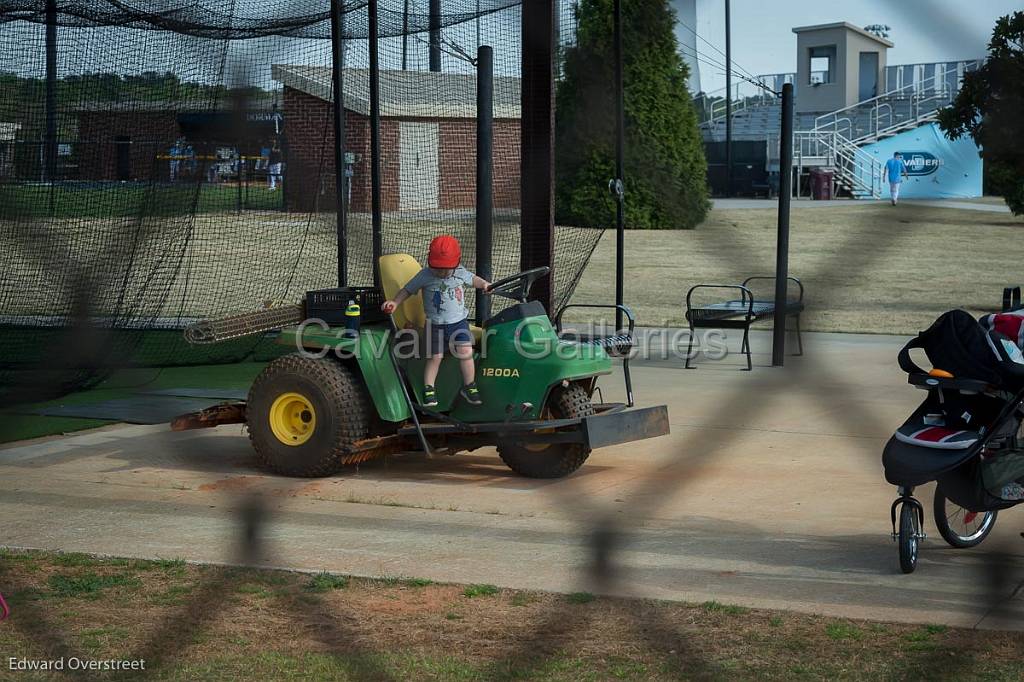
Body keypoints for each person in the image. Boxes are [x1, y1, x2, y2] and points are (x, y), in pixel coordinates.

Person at [381, 235, 491, 407]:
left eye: (446, 269)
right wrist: (394, 302)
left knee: (466, 352)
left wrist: (484, 284)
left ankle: (469, 385)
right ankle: (428, 388)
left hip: (459, 323)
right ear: (430, 261)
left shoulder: (460, 272)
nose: (441, 272)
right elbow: (407, 290)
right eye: (438, 268)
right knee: (435, 357)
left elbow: (474, 279)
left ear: (456, 262)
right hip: (435, 325)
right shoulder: (425, 275)